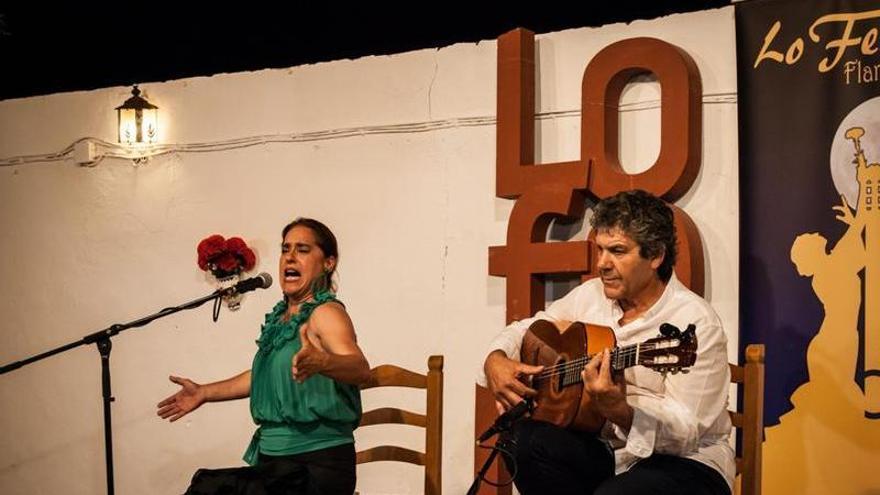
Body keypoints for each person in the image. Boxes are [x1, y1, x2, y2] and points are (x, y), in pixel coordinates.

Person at [479, 190, 734, 495]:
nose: (602, 263)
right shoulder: (591, 295)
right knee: (523, 440)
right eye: (600, 249)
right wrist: (496, 360)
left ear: (655, 255)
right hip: (611, 453)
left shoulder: (696, 322)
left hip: (689, 464)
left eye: (617, 251)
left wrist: (621, 411)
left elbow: (686, 432)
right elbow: (526, 328)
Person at [157, 217, 371, 494]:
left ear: (328, 263)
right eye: (285, 249)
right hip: (275, 464)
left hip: (315, 465)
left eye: (303, 250)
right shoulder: (282, 318)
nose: (290, 257)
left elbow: (360, 369)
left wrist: (324, 362)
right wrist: (204, 392)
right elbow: (262, 376)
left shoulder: (325, 313)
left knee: (209, 490)